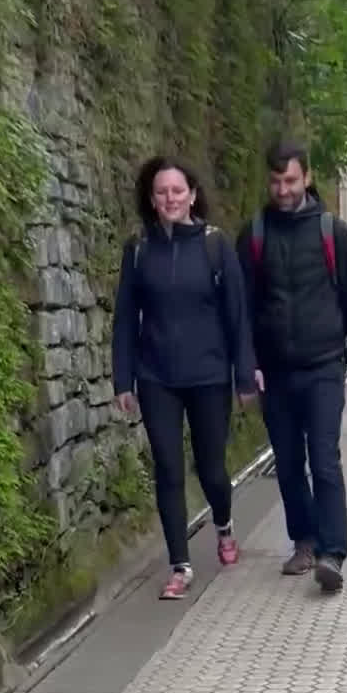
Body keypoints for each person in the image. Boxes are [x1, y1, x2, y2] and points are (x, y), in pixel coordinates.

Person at [113, 156, 259, 600]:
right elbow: (124, 320)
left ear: (193, 195)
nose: (170, 199)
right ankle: (180, 564)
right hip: (156, 376)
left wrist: (244, 375)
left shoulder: (215, 246)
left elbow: (238, 316)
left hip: (209, 374)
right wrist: (123, 380)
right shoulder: (138, 249)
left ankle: (223, 523)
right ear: (151, 199)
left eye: (178, 191)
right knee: (169, 468)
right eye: (161, 192)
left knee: (212, 468)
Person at [237, 140, 347, 596]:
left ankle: (333, 553)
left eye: (290, 180)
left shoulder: (332, 232)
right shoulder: (253, 234)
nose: (282, 190)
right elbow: (242, 309)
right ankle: (305, 541)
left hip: (323, 366)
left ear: (307, 178)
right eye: (275, 181)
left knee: (324, 459)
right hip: (275, 371)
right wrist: (246, 365)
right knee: (290, 464)